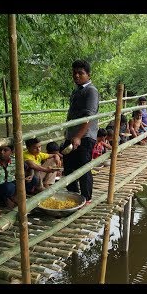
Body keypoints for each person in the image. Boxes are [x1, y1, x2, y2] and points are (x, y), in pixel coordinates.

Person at [63, 60, 99, 203]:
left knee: (83, 168)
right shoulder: (77, 90)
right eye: (74, 73)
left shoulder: (91, 91)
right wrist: (69, 134)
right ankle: (74, 196)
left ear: (88, 75)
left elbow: (89, 115)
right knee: (69, 166)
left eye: (80, 73)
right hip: (73, 136)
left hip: (84, 136)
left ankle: (87, 198)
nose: (76, 76)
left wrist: (78, 136)